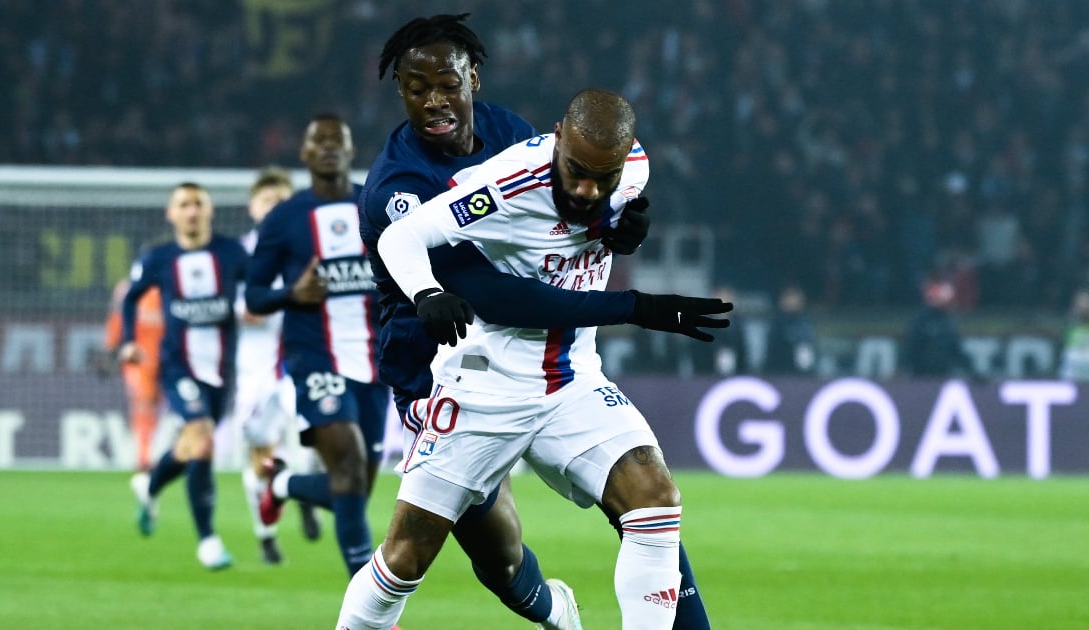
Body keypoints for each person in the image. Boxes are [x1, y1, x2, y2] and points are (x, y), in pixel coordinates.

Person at [355, 14, 720, 630]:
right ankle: (557, 613)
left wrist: (618, 225)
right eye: (418, 89)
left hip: (565, 373)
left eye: (447, 84)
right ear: (401, 92)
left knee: (651, 504)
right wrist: (636, 307)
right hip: (445, 371)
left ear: (473, 78)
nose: (435, 101)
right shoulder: (401, 187)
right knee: (483, 557)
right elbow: (499, 297)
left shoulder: (517, 136)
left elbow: (566, 217)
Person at [246, 114, 391, 578]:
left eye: (337, 141)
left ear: (351, 150)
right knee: (347, 467)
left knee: (354, 489)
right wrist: (291, 294)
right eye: (318, 141)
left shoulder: (376, 205)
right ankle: (367, 601)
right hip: (315, 357)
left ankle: (282, 484)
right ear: (305, 154)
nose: (328, 147)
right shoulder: (284, 219)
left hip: (375, 360)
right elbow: (254, 295)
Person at [120, 182, 248, 570]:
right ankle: (208, 540)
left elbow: (259, 287)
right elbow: (131, 297)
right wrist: (128, 341)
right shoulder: (158, 257)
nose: (191, 211)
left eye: (198, 204)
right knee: (202, 440)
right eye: (183, 205)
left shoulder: (231, 252)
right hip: (178, 364)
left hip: (221, 368)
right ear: (171, 213)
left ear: (209, 211)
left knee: (190, 445)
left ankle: (149, 485)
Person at [231, 167, 322, 564]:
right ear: (253, 208)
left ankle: (304, 494)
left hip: (299, 362)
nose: (274, 208)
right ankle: (266, 534)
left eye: (282, 201)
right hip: (255, 369)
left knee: (317, 439)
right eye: (267, 201)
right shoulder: (239, 254)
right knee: (260, 452)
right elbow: (233, 304)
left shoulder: (308, 247)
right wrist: (251, 306)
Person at [103, 276, 163, 480]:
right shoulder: (127, 290)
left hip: (164, 360)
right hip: (137, 361)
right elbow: (116, 320)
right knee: (143, 405)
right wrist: (110, 349)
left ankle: (162, 454)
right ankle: (143, 457)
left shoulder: (167, 285)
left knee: (157, 408)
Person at [901, 278, 979, 379]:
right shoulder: (921, 321)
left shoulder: (948, 322)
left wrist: (972, 371)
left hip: (943, 375)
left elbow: (955, 350)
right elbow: (911, 347)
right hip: (922, 376)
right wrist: (905, 369)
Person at [762, 283, 817, 376]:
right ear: (782, 301)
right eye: (789, 297)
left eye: (796, 297)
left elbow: (810, 351)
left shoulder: (806, 323)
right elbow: (772, 356)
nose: (793, 301)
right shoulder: (776, 324)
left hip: (805, 375)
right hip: (780, 374)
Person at [1059, 287, 1089, 380]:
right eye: (1080, 304)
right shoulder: (1070, 324)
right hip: (1072, 371)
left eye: (1086, 303)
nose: (1084, 307)